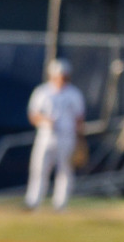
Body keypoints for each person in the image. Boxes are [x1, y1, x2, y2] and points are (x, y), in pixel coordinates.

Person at [26, 57, 87, 211]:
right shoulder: (42, 92)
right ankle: (33, 201)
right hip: (46, 136)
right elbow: (33, 115)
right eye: (59, 75)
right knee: (39, 169)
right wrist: (45, 120)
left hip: (67, 137)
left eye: (64, 75)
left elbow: (79, 118)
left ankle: (61, 204)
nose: (62, 78)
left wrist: (80, 140)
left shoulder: (74, 94)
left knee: (65, 170)